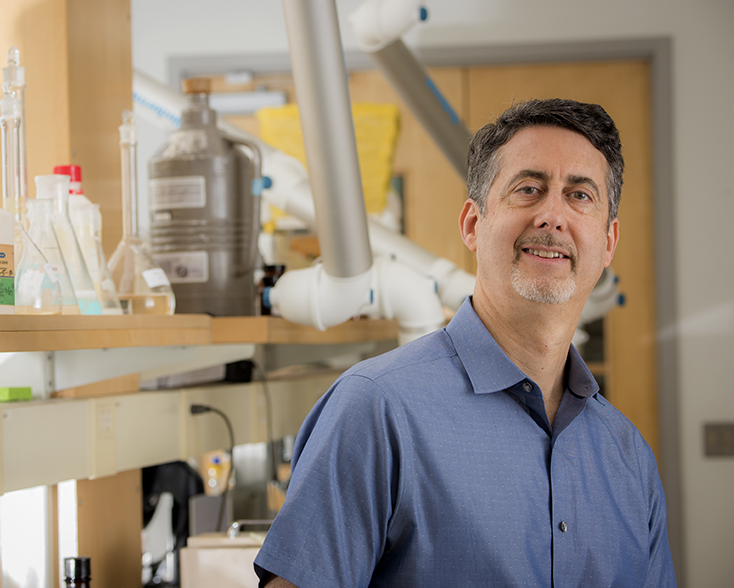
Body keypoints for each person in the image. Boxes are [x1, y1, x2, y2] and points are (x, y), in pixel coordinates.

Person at [253, 98, 676, 587]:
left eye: (580, 196)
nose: (553, 216)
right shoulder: (377, 409)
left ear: (608, 243)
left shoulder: (628, 457)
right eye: (528, 189)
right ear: (473, 225)